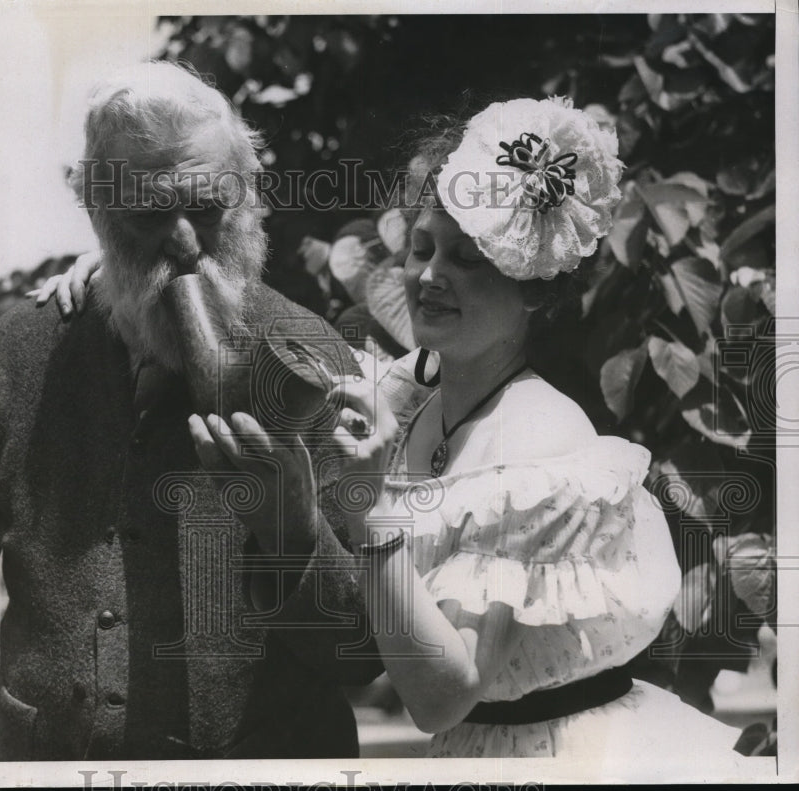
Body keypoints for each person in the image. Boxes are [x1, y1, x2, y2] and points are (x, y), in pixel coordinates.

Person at [46, 94, 750, 767]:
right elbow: (271, 336)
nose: (429, 275)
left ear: (530, 285)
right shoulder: (413, 387)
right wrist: (130, 266)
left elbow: (439, 695)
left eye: (468, 258)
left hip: (561, 755)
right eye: (422, 247)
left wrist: (371, 510)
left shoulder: (537, 441)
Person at [0, 61, 380, 763]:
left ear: (250, 197)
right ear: (96, 209)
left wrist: (293, 532)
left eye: (209, 204)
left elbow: (364, 654)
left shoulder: (316, 364)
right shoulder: (20, 353)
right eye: (151, 212)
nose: (186, 242)